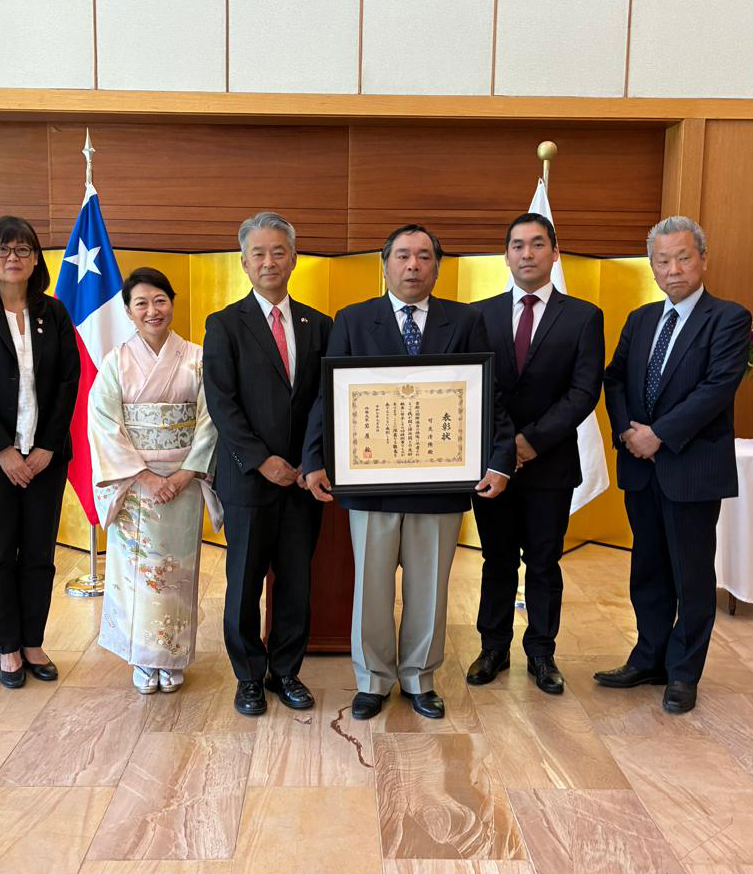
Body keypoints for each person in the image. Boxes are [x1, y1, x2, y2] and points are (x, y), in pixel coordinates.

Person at [303, 224, 515, 720]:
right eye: (403, 256)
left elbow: (490, 396)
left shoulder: (464, 320)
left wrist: (501, 459)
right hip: (371, 484)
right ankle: (372, 680)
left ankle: (420, 678)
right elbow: (327, 396)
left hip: (439, 488)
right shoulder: (353, 320)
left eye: (424, 256)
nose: (413, 265)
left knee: (429, 589)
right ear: (385, 265)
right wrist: (314, 460)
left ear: (438, 267)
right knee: (370, 589)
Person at [596, 215, 750, 714]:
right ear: (652, 266)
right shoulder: (642, 319)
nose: (674, 269)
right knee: (647, 570)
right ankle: (649, 658)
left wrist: (658, 435)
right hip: (642, 468)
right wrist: (627, 432)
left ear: (703, 259)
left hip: (691, 468)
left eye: (683, 257)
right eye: (662, 260)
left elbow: (716, 389)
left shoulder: (727, 318)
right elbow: (614, 378)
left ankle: (684, 672)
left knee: (691, 575)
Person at [466, 213, 604, 695]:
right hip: (493, 466)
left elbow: (585, 391)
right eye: (518, 245)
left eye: (537, 244)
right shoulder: (478, 315)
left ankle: (542, 653)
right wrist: (507, 447)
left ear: (555, 252)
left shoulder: (584, 315)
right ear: (505, 256)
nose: (527, 253)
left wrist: (531, 442)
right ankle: (493, 648)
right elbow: (479, 389)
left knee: (544, 562)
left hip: (551, 463)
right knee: (496, 560)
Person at [203, 212, 333, 716]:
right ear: (243, 262)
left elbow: (325, 399)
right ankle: (249, 676)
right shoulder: (224, 324)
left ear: (294, 258)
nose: (269, 261)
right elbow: (222, 402)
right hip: (249, 479)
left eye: (278, 251)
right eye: (258, 253)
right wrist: (262, 461)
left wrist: (308, 461)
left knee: (296, 582)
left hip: (304, 479)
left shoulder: (320, 325)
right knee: (244, 583)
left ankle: (286, 671)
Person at [0, 216, 81, 688]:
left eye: (23, 250)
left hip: (45, 457)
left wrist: (46, 445)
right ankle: (7, 647)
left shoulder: (54, 312)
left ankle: (33, 641)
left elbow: (69, 381)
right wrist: (3, 449)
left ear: (35, 260)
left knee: (40, 554)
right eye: (4, 249)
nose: (13, 258)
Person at [90, 267, 221, 694]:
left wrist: (186, 472)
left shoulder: (198, 357)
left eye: (160, 300)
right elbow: (104, 422)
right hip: (135, 485)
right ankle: (144, 659)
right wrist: (143, 475)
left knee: (176, 572)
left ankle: (173, 655)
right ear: (128, 311)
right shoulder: (116, 361)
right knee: (137, 572)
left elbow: (211, 419)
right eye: (141, 303)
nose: (152, 310)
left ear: (172, 302)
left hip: (184, 481)